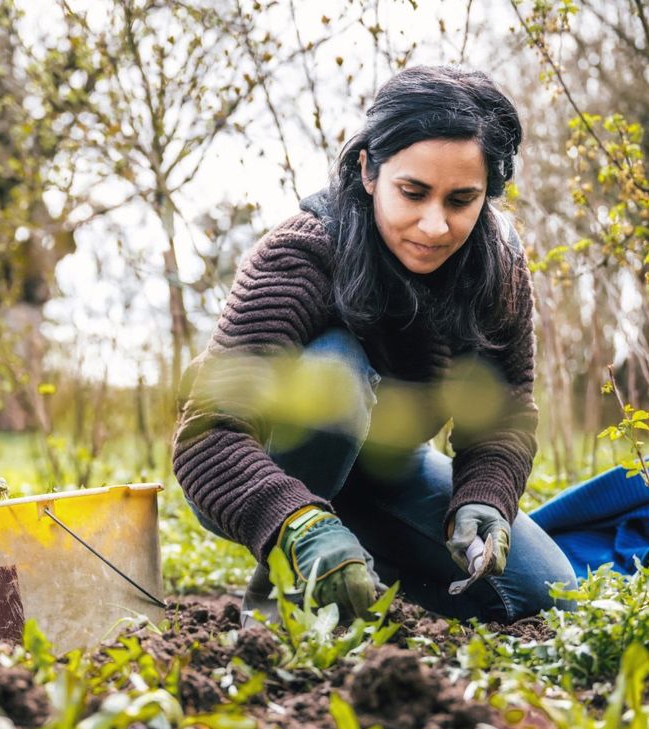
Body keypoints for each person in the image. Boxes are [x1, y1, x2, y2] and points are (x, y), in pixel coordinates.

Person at [172, 64, 577, 627]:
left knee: (542, 591)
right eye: (412, 192)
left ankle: (357, 556)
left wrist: (485, 498)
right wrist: (299, 523)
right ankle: (281, 594)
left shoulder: (496, 268)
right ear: (368, 170)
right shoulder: (302, 254)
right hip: (257, 463)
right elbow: (207, 436)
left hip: (389, 469)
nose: (434, 225)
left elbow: (505, 412)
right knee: (335, 372)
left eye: (462, 200)